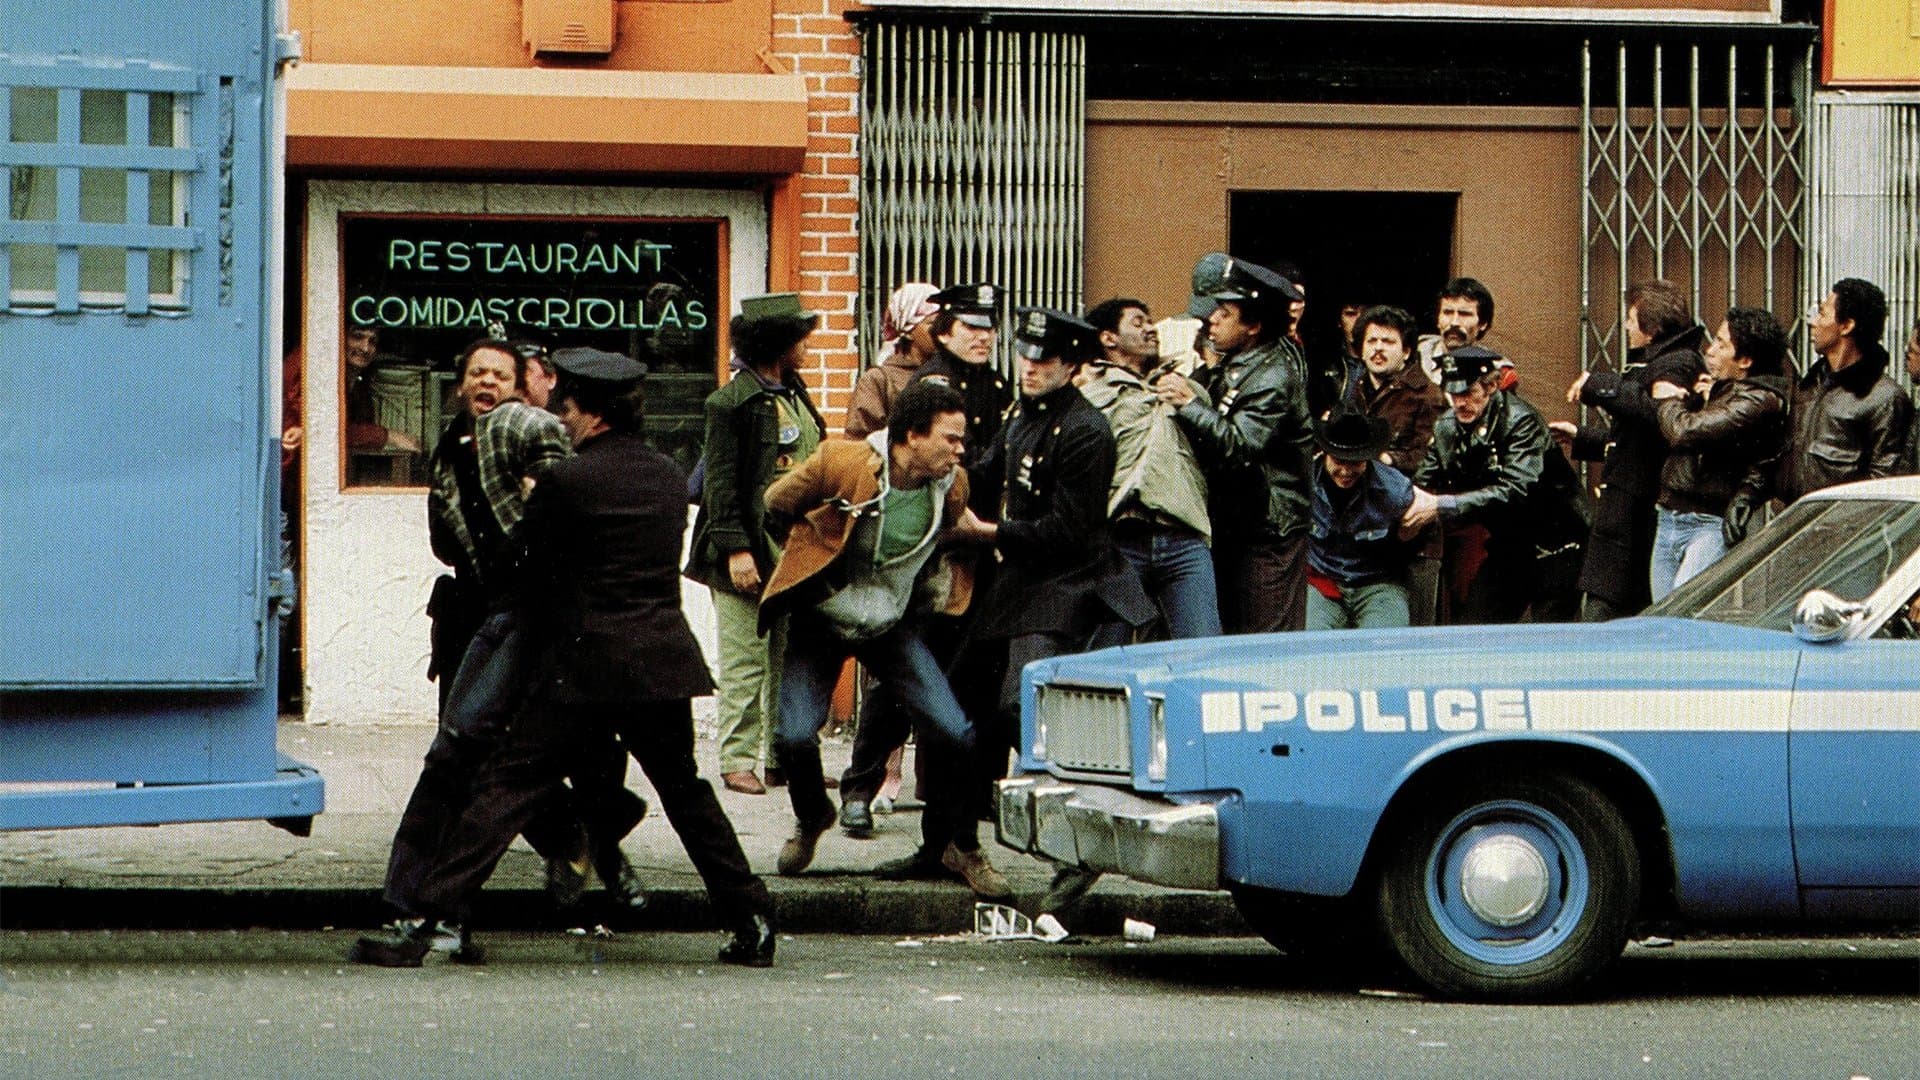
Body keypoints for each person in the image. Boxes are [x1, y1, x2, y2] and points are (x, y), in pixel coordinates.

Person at [351, 348, 775, 969]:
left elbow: (527, 563)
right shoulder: (664, 474)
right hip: (659, 661)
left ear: (595, 414)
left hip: (581, 665)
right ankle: (753, 918)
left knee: (504, 787)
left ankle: (424, 921)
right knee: (687, 793)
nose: (563, 421)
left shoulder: (567, 481)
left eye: (570, 409)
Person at [757, 381, 1010, 899]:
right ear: (911, 437)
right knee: (794, 737)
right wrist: (810, 562)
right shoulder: (842, 462)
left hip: (889, 622)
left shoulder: (952, 484)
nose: (960, 450)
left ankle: (960, 844)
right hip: (822, 619)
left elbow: (954, 532)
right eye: (950, 438)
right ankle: (812, 817)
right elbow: (776, 504)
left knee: (954, 730)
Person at [956, 308, 1153, 829]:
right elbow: (985, 472)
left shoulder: (1087, 430)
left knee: (1025, 702)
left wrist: (989, 533)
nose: (1029, 366)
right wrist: (938, 470)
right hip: (1019, 575)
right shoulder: (1024, 413)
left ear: (1071, 365)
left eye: (1043, 360)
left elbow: (1068, 532)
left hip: (1068, 582)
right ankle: (974, 814)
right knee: (968, 690)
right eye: (1024, 354)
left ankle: (1080, 811)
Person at [838, 283, 1011, 833]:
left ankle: (967, 793)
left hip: (981, 549)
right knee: (900, 677)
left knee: (977, 676)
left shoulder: (1000, 386)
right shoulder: (929, 386)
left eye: (989, 329)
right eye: (970, 329)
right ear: (944, 333)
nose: (983, 338)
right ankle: (859, 788)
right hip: (927, 550)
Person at [686, 293, 827, 795]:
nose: (807, 347)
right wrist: (735, 549)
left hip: (789, 552)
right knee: (746, 660)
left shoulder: (793, 392)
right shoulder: (731, 402)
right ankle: (736, 760)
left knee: (782, 659)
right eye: (800, 339)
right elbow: (720, 485)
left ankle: (778, 759)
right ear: (777, 344)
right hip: (745, 552)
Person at [1158, 257, 1314, 633]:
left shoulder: (1273, 375)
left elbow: (1242, 444)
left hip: (1269, 532)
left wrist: (1189, 404)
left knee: (1265, 642)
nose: (1212, 319)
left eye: (1225, 313)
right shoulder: (1237, 364)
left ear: (1254, 326)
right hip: (1238, 525)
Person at [1551, 281, 1707, 620]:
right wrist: (1583, 438)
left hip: (1636, 517)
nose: (1625, 327)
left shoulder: (1678, 363)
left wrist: (1599, 385)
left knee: (1606, 617)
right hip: (1626, 517)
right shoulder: (1663, 361)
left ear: (1650, 329)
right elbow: (1635, 440)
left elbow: (1658, 416)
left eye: (1631, 319)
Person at [1403, 346, 1589, 624]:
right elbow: (1424, 482)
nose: (1460, 403)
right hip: (1509, 547)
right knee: (1474, 628)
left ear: (1490, 387)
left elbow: (1515, 489)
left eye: (1468, 393)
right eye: (1453, 395)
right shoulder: (1446, 427)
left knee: (1547, 641)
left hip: (1556, 546)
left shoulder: (1520, 421)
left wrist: (1443, 505)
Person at [1080, 296, 1220, 640]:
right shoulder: (1089, 395)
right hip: (1121, 538)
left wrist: (1190, 402)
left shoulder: (1185, 387)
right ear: (1108, 338)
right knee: (1106, 653)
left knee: (1202, 649)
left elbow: (1219, 447)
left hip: (1183, 537)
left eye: (1150, 320)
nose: (1151, 329)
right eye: (1138, 322)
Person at [1646, 307, 1790, 598]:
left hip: (1707, 522)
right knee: (1664, 619)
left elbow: (1685, 431)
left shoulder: (1759, 399)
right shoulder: (1729, 389)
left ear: (1746, 360)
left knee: (1684, 618)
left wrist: (1669, 399)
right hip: (1672, 514)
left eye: (1722, 344)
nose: (1710, 351)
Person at [1768, 278, 1912, 509]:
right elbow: (1780, 451)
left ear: (1846, 326)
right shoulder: (1809, 385)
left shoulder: (1885, 398)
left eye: (1822, 314)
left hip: (1839, 534)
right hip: (1792, 523)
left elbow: (1883, 483)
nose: (1812, 323)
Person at [1342, 305, 1446, 624]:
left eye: (1388, 342)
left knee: (1413, 636)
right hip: (1365, 535)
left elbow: (1435, 461)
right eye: (1372, 341)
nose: (1378, 349)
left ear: (1407, 351)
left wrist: (1388, 458)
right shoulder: (1353, 393)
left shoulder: (1428, 396)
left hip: (1415, 536)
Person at [1305, 411, 1418, 631]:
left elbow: (1421, 537)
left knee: (1386, 642)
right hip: (1324, 581)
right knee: (1312, 642)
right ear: (1325, 453)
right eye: (1339, 461)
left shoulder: (1394, 490)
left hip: (1378, 583)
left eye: (1355, 462)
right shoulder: (1304, 482)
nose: (1346, 471)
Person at [845, 282, 942, 438]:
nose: (940, 331)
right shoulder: (879, 380)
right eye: (931, 323)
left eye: (944, 323)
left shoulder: (952, 373)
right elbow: (859, 444)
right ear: (908, 330)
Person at [1415, 277, 1514, 389]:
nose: (1454, 322)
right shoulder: (1416, 352)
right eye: (1448, 313)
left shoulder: (1496, 370)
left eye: (1464, 314)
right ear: (1438, 319)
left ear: (1483, 324)